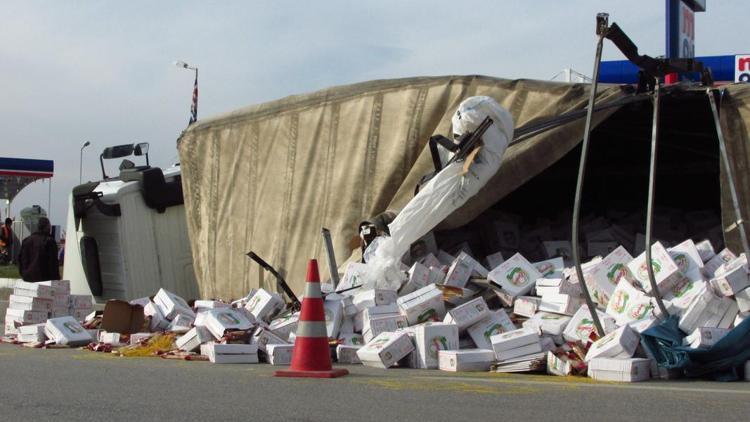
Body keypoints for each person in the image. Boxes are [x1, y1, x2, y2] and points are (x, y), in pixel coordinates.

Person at [17, 217, 60, 282]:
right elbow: (53, 263)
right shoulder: (50, 241)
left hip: (27, 277)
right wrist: (56, 279)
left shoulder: (26, 240)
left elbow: (21, 260)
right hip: (44, 278)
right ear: (47, 227)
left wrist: (24, 274)